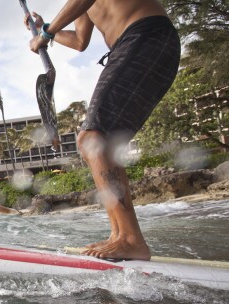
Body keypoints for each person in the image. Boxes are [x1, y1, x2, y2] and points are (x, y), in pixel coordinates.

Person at [25, 0, 180, 260]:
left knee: (93, 138)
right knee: (92, 143)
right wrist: (45, 28)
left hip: (144, 36)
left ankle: (132, 239)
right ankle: (119, 234)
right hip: (131, 45)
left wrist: (45, 34)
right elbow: (79, 41)